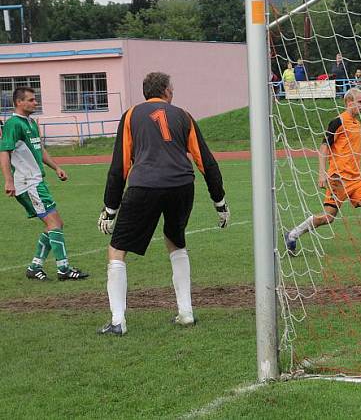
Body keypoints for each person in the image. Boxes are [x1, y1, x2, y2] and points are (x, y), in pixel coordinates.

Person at [96, 72, 229, 335]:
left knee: (117, 250)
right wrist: (220, 201)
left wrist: (110, 209)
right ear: (166, 91)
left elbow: (120, 165)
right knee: (175, 240)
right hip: (182, 185)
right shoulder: (183, 115)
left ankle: (117, 321)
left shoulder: (132, 115)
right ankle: (186, 313)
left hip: (144, 185)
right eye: (172, 88)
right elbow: (206, 160)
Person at [284, 88, 361, 259]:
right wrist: (321, 174)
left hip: (356, 178)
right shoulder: (338, 122)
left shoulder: (357, 123)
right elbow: (323, 148)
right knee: (328, 218)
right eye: (360, 102)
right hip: (338, 179)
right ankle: (292, 234)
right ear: (350, 103)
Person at [0, 87, 89, 282]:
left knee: (55, 224)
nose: (35, 103)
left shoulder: (30, 123)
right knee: (54, 223)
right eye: (31, 100)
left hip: (37, 181)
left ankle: (35, 267)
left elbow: (39, 149)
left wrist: (56, 167)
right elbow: (4, 152)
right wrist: (8, 180)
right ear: (19, 103)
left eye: (35, 100)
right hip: (27, 184)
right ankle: (63, 269)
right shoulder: (14, 124)